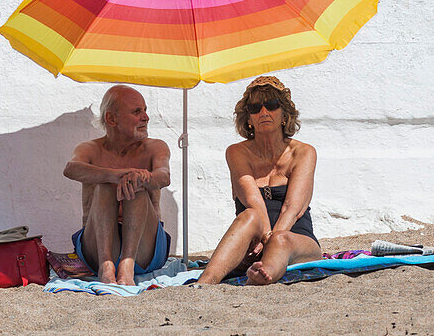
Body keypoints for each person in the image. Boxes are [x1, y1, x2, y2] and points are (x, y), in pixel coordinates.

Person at [197, 75, 322, 286]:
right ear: (248, 118)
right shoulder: (237, 152)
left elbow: (292, 209)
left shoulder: (303, 152)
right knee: (250, 215)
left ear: (284, 114)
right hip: (252, 240)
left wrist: (271, 240)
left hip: (295, 237)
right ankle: (204, 282)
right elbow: (252, 200)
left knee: (281, 239)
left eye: (271, 105)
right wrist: (264, 237)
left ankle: (264, 274)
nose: (263, 112)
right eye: (255, 108)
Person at [63, 84, 172, 284]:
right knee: (106, 185)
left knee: (136, 187)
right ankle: (107, 266)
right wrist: (115, 175)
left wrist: (141, 178)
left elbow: (164, 177)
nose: (146, 117)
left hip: (144, 249)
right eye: (137, 111)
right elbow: (71, 169)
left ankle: (127, 266)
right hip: (97, 248)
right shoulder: (90, 148)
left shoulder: (155, 146)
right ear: (111, 119)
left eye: (145, 110)